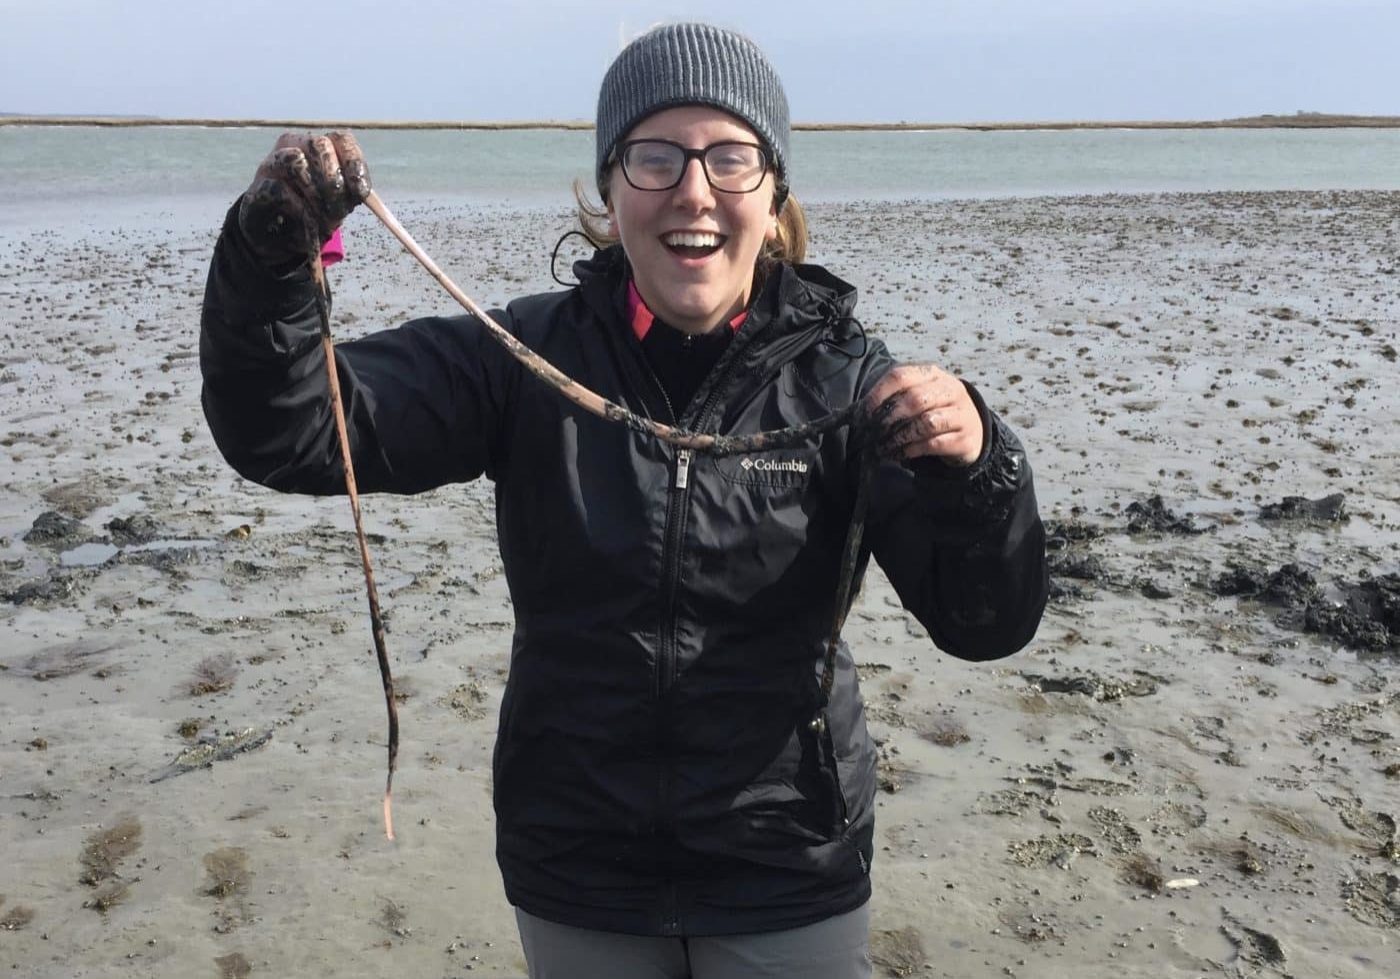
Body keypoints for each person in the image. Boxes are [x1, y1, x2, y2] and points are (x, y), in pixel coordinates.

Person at [200, 21, 1047, 979]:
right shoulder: (521, 359)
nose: (694, 189)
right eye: (655, 156)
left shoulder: (848, 385)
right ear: (611, 188)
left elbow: (986, 623)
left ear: (772, 196)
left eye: (730, 158)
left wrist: (978, 469)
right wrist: (270, 253)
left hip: (789, 866)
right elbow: (294, 430)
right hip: (579, 869)